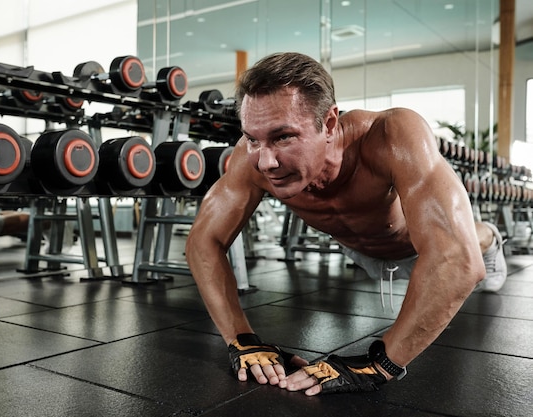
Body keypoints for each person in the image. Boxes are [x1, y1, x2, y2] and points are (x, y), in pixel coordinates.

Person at [185, 52, 507, 396]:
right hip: (359, 249)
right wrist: (242, 340)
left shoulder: (390, 136)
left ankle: (489, 237)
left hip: (417, 250)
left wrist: (381, 363)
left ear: (328, 124)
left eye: (283, 137)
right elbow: (203, 242)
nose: (265, 161)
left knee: (467, 242)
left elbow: (455, 260)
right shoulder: (249, 159)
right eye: (252, 138)